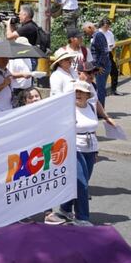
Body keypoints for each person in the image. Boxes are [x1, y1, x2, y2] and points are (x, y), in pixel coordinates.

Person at [46, 81, 99, 226]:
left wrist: (95, 150)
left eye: (81, 92)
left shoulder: (91, 107)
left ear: (88, 95)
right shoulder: (68, 109)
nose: (78, 94)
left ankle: (65, 208)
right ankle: (82, 217)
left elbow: (93, 129)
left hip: (90, 147)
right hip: (74, 148)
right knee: (81, 183)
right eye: (76, 91)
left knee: (81, 182)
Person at [83, 21, 110, 107]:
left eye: (85, 30)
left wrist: (99, 66)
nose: (85, 33)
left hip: (102, 67)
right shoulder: (97, 35)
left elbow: (105, 51)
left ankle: (100, 111)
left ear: (90, 27)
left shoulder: (98, 35)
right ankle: (100, 109)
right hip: (101, 65)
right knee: (100, 88)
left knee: (100, 89)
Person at [8, 37, 34, 107]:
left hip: (28, 89)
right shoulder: (13, 58)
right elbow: (9, 74)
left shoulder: (27, 57)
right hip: (17, 90)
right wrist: (22, 75)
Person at [98, 18, 121, 96]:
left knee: (114, 71)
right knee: (102, 73)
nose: (107, 27)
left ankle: (114, 89)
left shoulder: (110, 33)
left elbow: (113, 44)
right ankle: (101, 91)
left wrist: (111, 45)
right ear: (102, 25)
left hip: (109, 53)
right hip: (100, 55)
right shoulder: (97, 33)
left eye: (108, 26)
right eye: (106, 26)